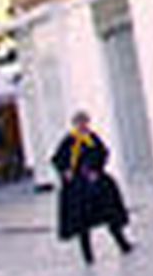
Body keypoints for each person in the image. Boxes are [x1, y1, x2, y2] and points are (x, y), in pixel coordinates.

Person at [51, 111, 133, 265]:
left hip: (95, 182)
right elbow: (57, 159)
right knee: (82, 222)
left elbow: (103, 153)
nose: (82, 125)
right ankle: (87, 255)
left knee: (110, 213)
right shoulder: (68, 141)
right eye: (79, 123)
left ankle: (123, 244)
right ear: (74, 124)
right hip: (78, 186)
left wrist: (96, 169)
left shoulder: (92, 138)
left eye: (85, 122)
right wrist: (65, 171)